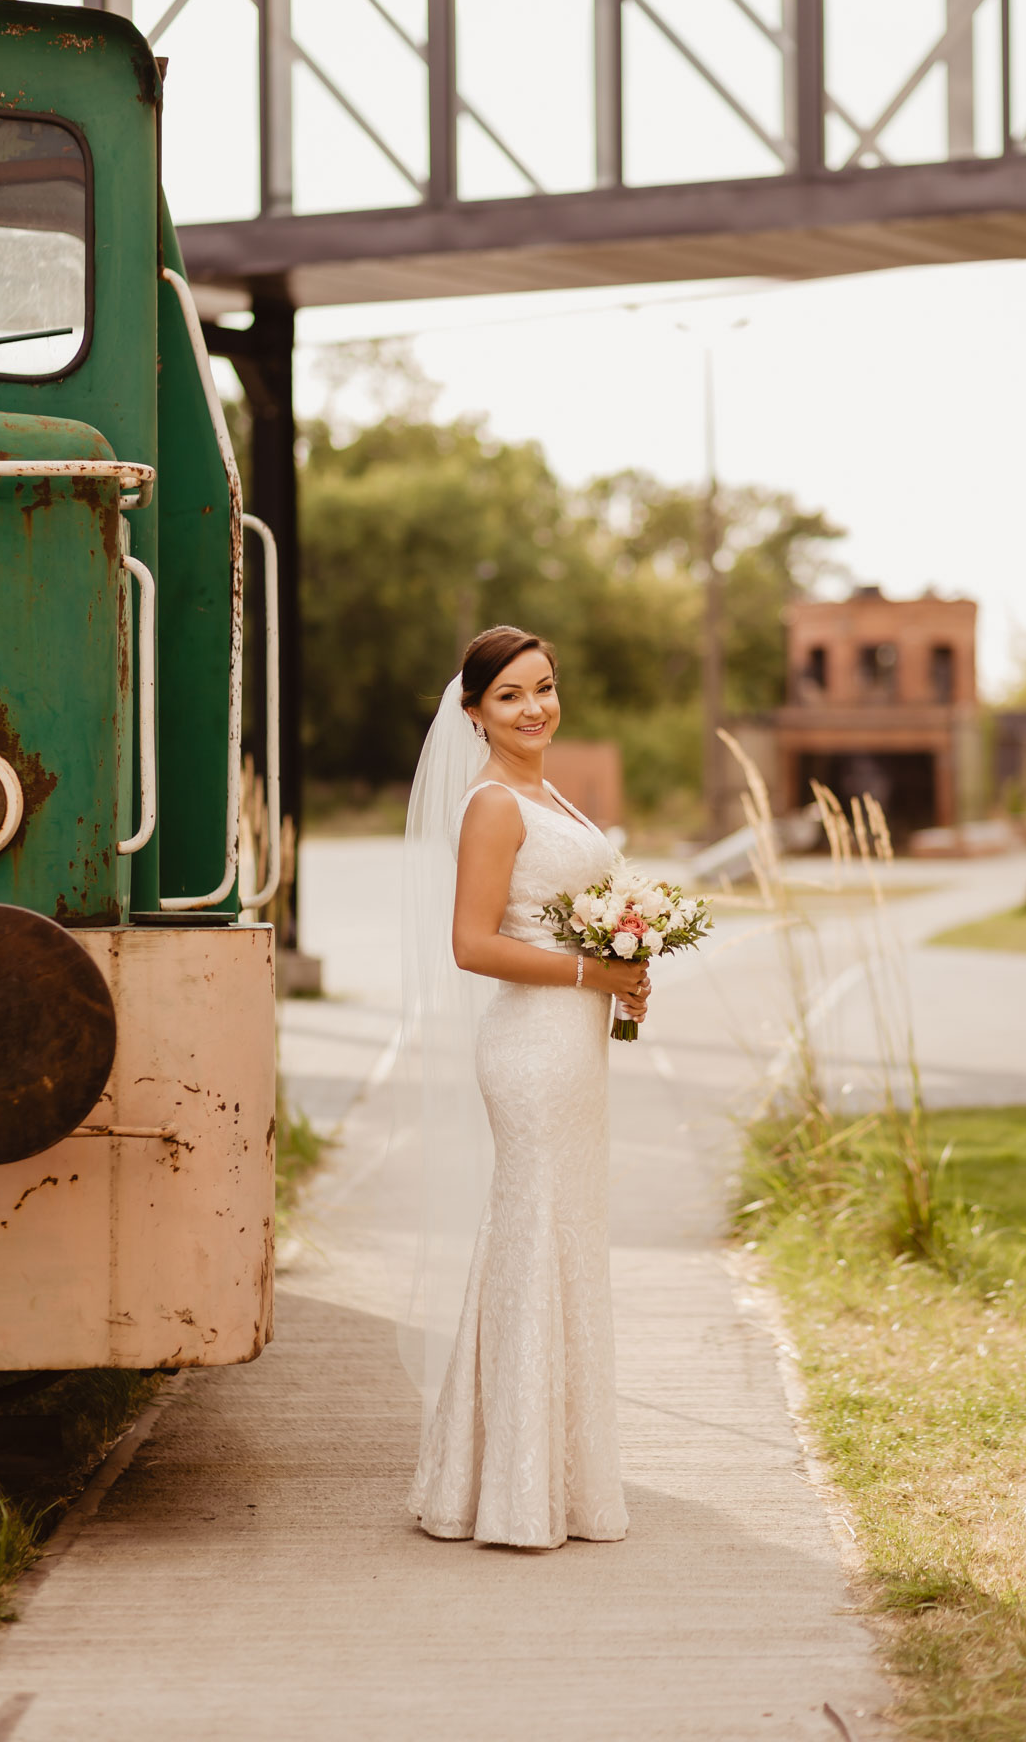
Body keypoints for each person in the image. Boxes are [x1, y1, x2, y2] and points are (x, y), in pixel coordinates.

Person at [405, 626, 649, 1550]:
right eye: (509, 695)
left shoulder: (549, 795)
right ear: (474, 713)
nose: (534, 707)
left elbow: (567, 920)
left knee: (560, 1238)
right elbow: (472, 945)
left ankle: (549, 1478)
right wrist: (593, 972)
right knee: (536, 1234)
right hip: (532, 1051)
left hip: (575, 1043)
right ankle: (511, 1492)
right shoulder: (493, 806)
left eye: (543, 687)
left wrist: (625, 969)